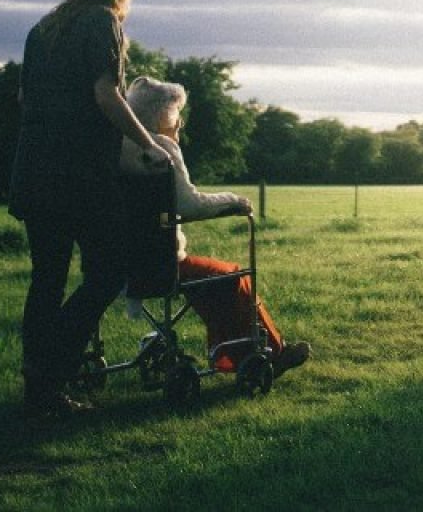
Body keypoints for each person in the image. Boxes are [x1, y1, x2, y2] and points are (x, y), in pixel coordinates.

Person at [8, 0, 174, 424]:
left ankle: (37, 388)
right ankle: (51, 370)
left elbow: (25, 97)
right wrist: (148, 143)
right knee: (108, 272)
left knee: (47, 278)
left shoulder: (43, 28)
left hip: (34, 170)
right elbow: (106, 93)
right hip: (78, 174)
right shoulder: (103, 22)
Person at [120, 76, 311, 377]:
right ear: (160, 115)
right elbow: (190, 205)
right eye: (176, 113)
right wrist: (235, 201)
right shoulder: (162, 149)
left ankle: (236, 352)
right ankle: (269, 352)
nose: (180, 122)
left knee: (212, 279)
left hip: (122, 263)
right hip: (160, 263)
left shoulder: (120, 147)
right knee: (232, 276)